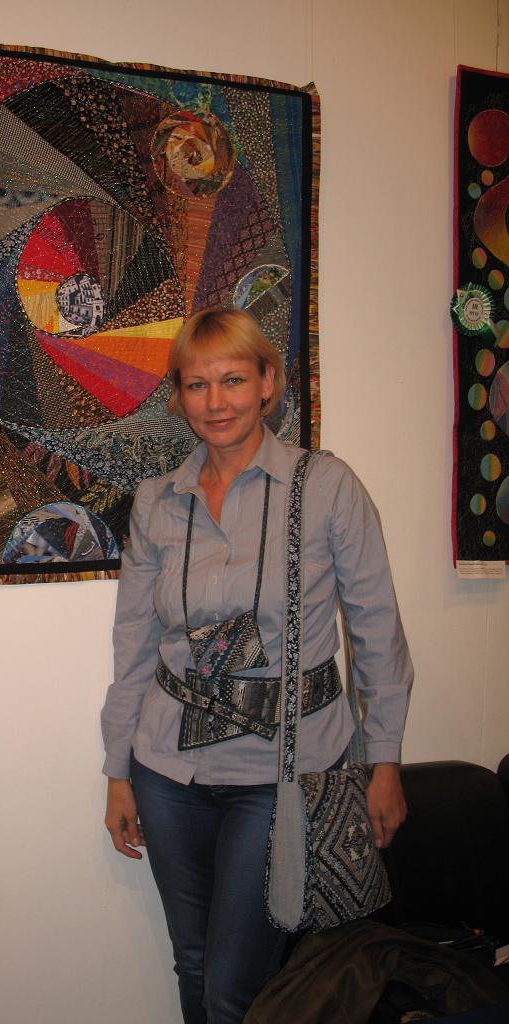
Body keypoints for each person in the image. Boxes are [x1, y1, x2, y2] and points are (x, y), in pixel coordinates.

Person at [100, 307, 414, 1024]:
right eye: (197, 384)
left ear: (268, 382)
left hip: (282, 773)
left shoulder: (326, 486)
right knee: (193, 963)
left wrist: (386, 760)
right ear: (179, 396)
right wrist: (118, 769)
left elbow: (376, 630)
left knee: (234, 989)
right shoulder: (156, 501)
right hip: (167, 772)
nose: (216, 401)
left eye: (234, 380)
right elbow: (135, 645)